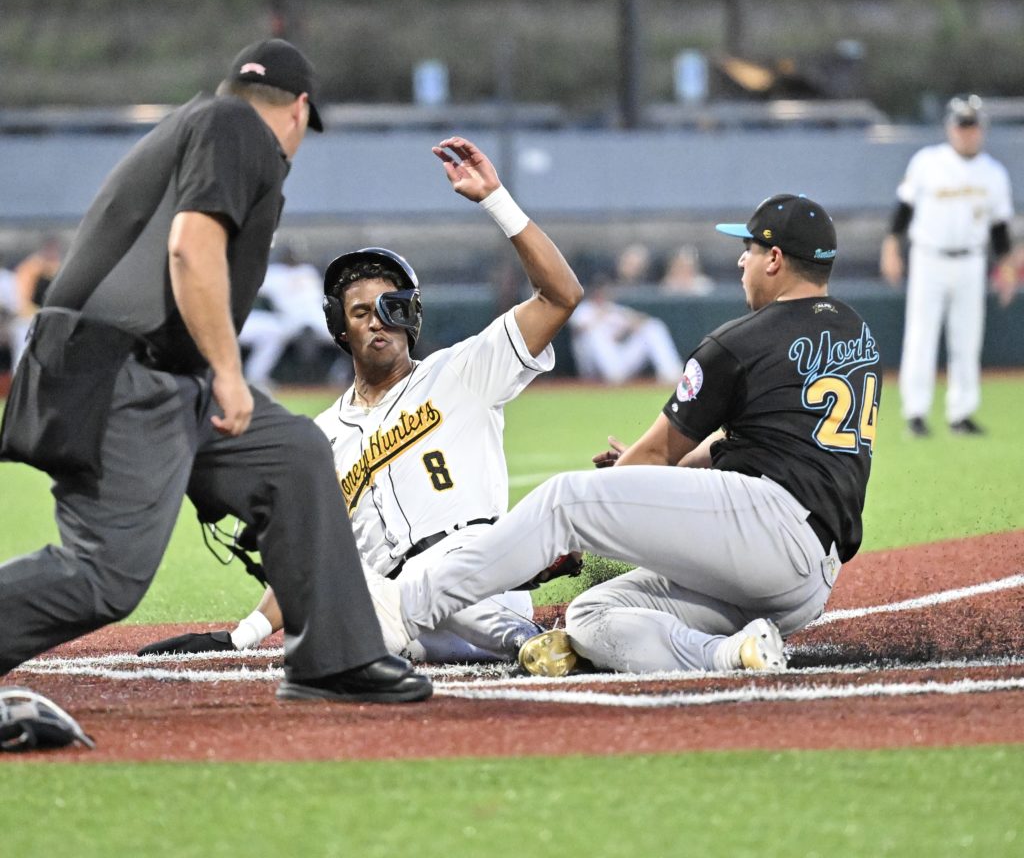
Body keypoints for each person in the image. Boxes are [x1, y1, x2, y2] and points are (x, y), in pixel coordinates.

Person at [0, 37, 431, 705]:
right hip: (123, 371)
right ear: (299, 111)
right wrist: (229, 376)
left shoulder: (205, 121)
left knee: (292, 455)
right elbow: (190, 249)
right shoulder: (238, 128)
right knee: (105, 576)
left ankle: (334, 659)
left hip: (150, 369)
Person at [366, 194, 882, 678]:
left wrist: (619, 491)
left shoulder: (741, 342)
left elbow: (656, 452)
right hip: (805, 581)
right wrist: (640, 486)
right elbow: (743, 442)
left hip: (767, 527)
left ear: (774, 258)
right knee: (591, 616)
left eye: (747, 250)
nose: (740, 263)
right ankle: (732, 653)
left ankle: (404, 607)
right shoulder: (856, 332)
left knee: (565, 503)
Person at [138, 135, 584, 663]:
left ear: (411, 315)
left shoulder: (463, 371)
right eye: (361, 310)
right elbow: (310, 557)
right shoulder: (323, 437)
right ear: (339, 329)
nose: (379, 319)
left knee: (433, 572)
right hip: (401, 612)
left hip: (478, 571)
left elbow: (561, 295)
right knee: (336, 595)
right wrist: (241, 636)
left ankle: (526, 642)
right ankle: (521, 647)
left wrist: (495, 200)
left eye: (392, 305)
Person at [880, 94, 1016, 437]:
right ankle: (916, 413)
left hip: (971, 259)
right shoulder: (927, 162)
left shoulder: (993, 173)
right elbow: (904, 210)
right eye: (961, 125)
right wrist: (892, 246)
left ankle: (962, 413)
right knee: (921, 336)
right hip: (929, 257)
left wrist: (1006, 266)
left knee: (967, 340)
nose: (967, 132)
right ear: (950, 128)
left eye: (972, 125)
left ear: (981, 129)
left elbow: (999, 227)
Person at [238, 243, 341, 390]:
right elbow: (252, 288)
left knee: (349, 335)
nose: (293, 258)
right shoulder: (274, 272)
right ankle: (256, 378)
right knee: (273, 333)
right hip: (290, 321)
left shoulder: (307, 270)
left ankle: (344, 375)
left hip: (318, 318)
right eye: (290, 254)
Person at [569, 276, 684, 384]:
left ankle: (671, 373)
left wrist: (627, 328)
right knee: (595, 334)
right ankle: (614, 375)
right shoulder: (584, 310)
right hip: (593, 368)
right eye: (598, 291)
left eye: (604, 290)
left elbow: (642, 320)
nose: (601, 294)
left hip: (619, 361)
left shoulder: (612, 309)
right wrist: (601, 320)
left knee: (653, 327)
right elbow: (578, 328)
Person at [9, 235, 64, 369]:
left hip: (51, 319)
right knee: (22, 355)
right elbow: (22, 297)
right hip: (28, 320)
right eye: (50, 249)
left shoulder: (59, 267)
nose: (53, 253)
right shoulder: (30, 268)